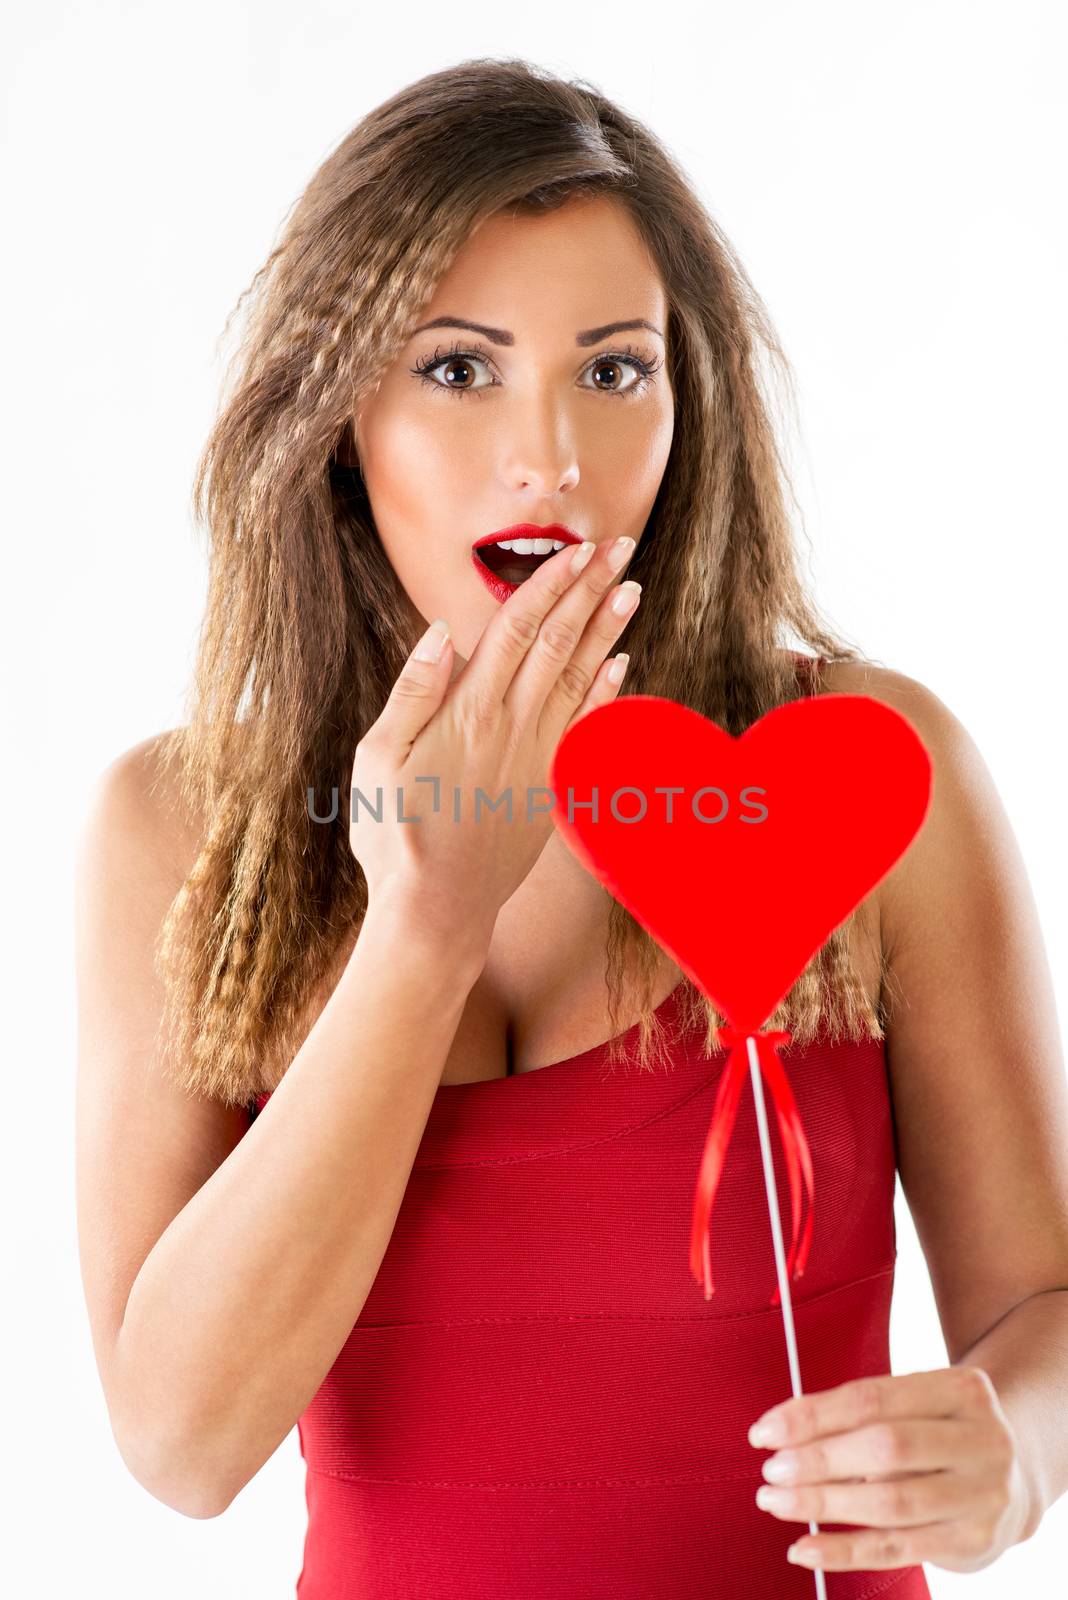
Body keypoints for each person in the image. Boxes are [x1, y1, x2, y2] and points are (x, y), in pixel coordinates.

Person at [74, 56, 1068, 1598]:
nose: (552, 453)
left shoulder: (868, 772)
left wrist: (1017, 1448)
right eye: (460, 368)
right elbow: (181, 1448)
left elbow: (1046, 1312)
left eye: (613, 370)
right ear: (344, 416)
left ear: (688, 400)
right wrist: (423, 921)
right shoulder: (181, 827)